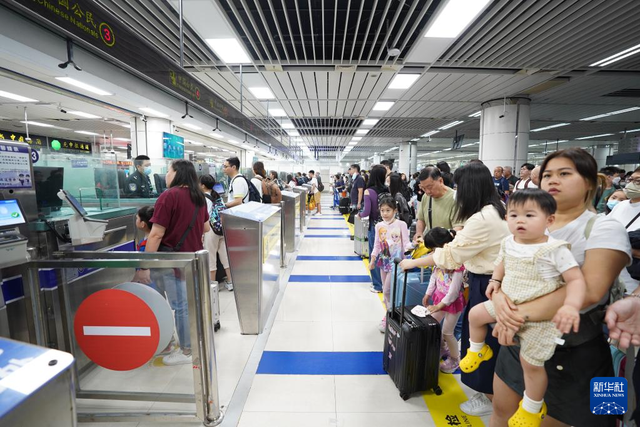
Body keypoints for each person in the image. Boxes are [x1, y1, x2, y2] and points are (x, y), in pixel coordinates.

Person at [489, 148, 631, 427]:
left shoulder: (604, 228)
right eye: (547, 175)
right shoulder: (530, 224)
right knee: (503, 412)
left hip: (576, 349)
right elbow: (509, 270)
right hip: (518, 340)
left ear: (591, 182)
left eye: (565, 174)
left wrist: (510, 314)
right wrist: (497, 292)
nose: (553, 180)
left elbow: (590, 289)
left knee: (582, 420)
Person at [461, 189, 586, 425]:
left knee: (531, 364)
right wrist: (495, 281)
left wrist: (570, 306)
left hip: (539, 318)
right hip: (506, 302)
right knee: (476, 315)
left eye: (529, 215)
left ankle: (532, 406)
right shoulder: (509, 241)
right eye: (513, 215)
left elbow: (576, 280)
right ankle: (478, 349)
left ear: (549, 220)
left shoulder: (555, 249)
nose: (520, 221)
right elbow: (502, 263)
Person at [399, 162, 510, 417]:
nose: (456, 191)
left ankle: (491, 399)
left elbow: (449, 257)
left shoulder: (482, 218)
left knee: (483, 345)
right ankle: (490, 394)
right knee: (483, 341)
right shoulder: (494, 209)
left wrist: (413, 262)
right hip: (490, 280)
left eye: (459, 186)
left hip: (488, 283)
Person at [137, 160, 210, 366]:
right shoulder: (199, 197)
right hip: (193, 260)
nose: (166, 175)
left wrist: (145, 266)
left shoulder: (168, 196)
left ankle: (187, 350)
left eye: (168, 171)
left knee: (180, 306)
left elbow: (156, 234)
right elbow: (205, 228)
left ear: (177, 173)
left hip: (173, 261)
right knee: (189, 304)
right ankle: (191, 343)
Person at [422, 227, 466, 374]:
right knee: (433, 323)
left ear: (445, 246)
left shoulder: (457, 266)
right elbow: (434, 277)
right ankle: (442, 349)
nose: (433, 254)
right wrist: (428, 294)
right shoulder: (439, 260)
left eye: (434, 250)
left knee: (448, 332)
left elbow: (454, 292)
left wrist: (439, 306)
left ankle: (455, 359)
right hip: (440, 298)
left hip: (452, 303)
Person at [369, 195, 411, 332]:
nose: (385, 214)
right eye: (382, 210)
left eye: (388, 210)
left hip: (397, 264)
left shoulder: (401, 224)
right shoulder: (379, 226)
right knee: (386, 293)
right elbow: (376, 244)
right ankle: (389, 315)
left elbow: (406, 244)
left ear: (395, 210)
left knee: (387, 290)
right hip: (383, 262)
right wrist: (373, 259)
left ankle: (390, 316)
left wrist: (411, 252)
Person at [608, 167, 640, 294]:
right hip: (613, 278)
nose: (632, 183)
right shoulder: (621, 206)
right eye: (631, 179)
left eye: (638, 181)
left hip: (634, 284)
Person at [200, 174, 233, 292]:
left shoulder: (203, 198)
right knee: (225, 256)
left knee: (211, 257)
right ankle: (230, 282)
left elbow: (204, 217)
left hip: (210, 230)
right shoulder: (217, 196)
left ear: (203, 185)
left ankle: (212, 285)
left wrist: (201, 234)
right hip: (221, 229)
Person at [414, 166, 462, 245]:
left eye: (429, 187)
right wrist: (419, 233)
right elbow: (421, 219)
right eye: (423, 188)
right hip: (431, 246)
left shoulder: (455, 198)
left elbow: (458, 227)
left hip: (448, 247)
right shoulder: (426, 197)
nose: (427, 191)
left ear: (440, 181)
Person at [359, 165, 387, 293]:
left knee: (374, 255)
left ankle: (377, 285)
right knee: (385, 255)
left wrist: (358, 215)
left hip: (375, 227)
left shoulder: (368, 191)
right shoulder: (387, 190)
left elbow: (366, 212)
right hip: (388, 226)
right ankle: (386, 283)